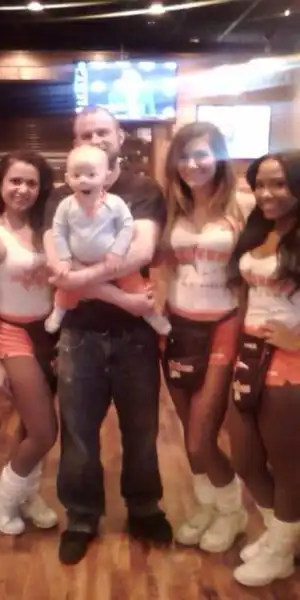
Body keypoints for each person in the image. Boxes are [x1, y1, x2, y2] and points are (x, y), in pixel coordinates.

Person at [44, 105, 172, 566]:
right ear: (74, 143)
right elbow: (55, 259)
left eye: (103, 132)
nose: (95, 139)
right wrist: (111, 291)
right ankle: (81, 517)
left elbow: (139, 253)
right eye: (86, 134)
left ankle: (144, 508)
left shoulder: (142, 190)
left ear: (120, 137)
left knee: (141, 430)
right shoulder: (60, 196)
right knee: (78, 433)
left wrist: (78, 278)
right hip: (78, 334)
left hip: (135, 336)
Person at [160, 122, 247, 553]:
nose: (192, 164)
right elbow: (163, 266)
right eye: (184, 156)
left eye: (201, 154)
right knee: (187, 431)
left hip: (223, 326)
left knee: (200, 437)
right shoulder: (172, 207)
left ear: (219, 157)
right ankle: (207, 506)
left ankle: (232, 511)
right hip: (176, 326)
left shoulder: (242, 205)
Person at [0, 150, 60, 535]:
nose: (23, 189)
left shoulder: (47, 230)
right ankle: (0, 496)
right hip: (12, 333)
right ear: (0, 185)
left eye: (31, 183)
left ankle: (27, 494)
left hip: (49, 334)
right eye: (15, 181)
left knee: (30, 428)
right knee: (44, 431)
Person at [228, 151, 300, 586]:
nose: (266, 193)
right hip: (250, 353)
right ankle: (282, 535)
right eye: (260, 184)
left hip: (290, 363)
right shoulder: (259, 230)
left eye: (278, 184)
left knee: (288, 465)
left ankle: (280, 551)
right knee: (245, 456)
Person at [46, 144, 170, 335]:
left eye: (91, 175)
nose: (83, 180)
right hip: (77, 262)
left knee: (136, 288)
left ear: (106, 176)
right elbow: (59, 232)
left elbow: (127, 226)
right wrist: (63, 258)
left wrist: (117, 252)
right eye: (76, 175)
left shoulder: (114, 203)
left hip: (112, 260)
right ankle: (59, 312)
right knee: (65, 293)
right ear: (67, 178)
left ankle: (150, 315)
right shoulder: (65, 205)